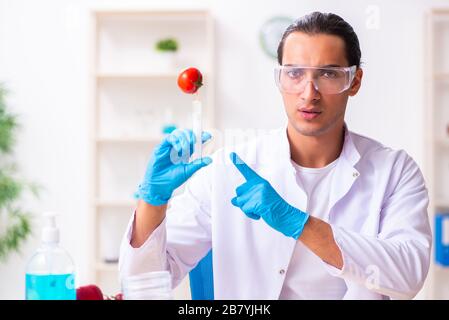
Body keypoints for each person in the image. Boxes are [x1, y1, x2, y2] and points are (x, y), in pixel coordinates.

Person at [119, 11, 431, 299]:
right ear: (279, 78)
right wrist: (152, 204)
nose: (309, 93)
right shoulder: (227, 171)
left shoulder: (394, 170)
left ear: (354, 81)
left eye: (328, 74)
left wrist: (300, 224)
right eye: (294, 73)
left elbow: (409, 274)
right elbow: (143, 284)